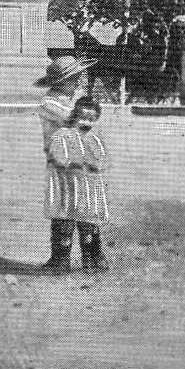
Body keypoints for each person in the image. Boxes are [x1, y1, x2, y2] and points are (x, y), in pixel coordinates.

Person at [34, 55, 97, 271]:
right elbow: (76, 117)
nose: (79, 80)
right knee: (64, 208)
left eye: (79, 76)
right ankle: (60, 258)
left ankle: (92, 257)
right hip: (61, 163)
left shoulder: (74, 98)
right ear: (61, 81)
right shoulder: (49, 103)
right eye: (74, 77)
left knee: (86, 206)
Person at [45, 96, 111, 273]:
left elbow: (103, 159)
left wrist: (95, 163)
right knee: (64, 222)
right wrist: (72, 163)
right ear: (74, 115)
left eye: (91, 119)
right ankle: (60, 259)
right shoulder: (62, 135)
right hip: (67, 186)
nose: (86, 123)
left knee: (88, 223)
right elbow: (58, 157)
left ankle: (91, 258)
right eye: (82, 118)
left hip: (89, 188)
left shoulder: (94, 138)